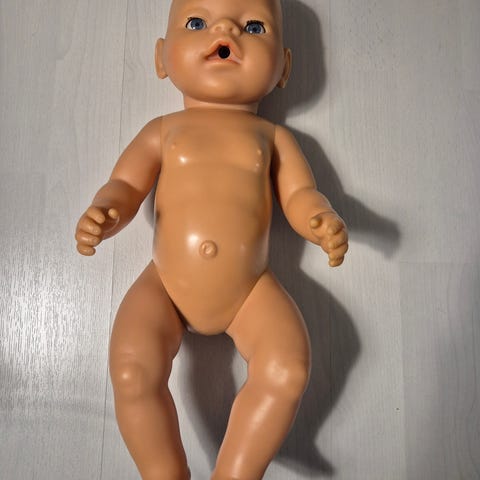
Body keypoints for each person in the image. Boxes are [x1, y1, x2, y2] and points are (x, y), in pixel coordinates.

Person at [75, 0, 348, 478]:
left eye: (254, 27)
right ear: (162, 57)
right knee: (132, 370)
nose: (225, 31)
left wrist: (319, 219)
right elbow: (125, 185)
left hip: (251, 290)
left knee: (287, 368)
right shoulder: (163, 131)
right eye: (197, 22)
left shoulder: (273, 138)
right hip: (164, 284)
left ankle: (237, 472)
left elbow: (300, 195)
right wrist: (106, 212)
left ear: (283, 67)